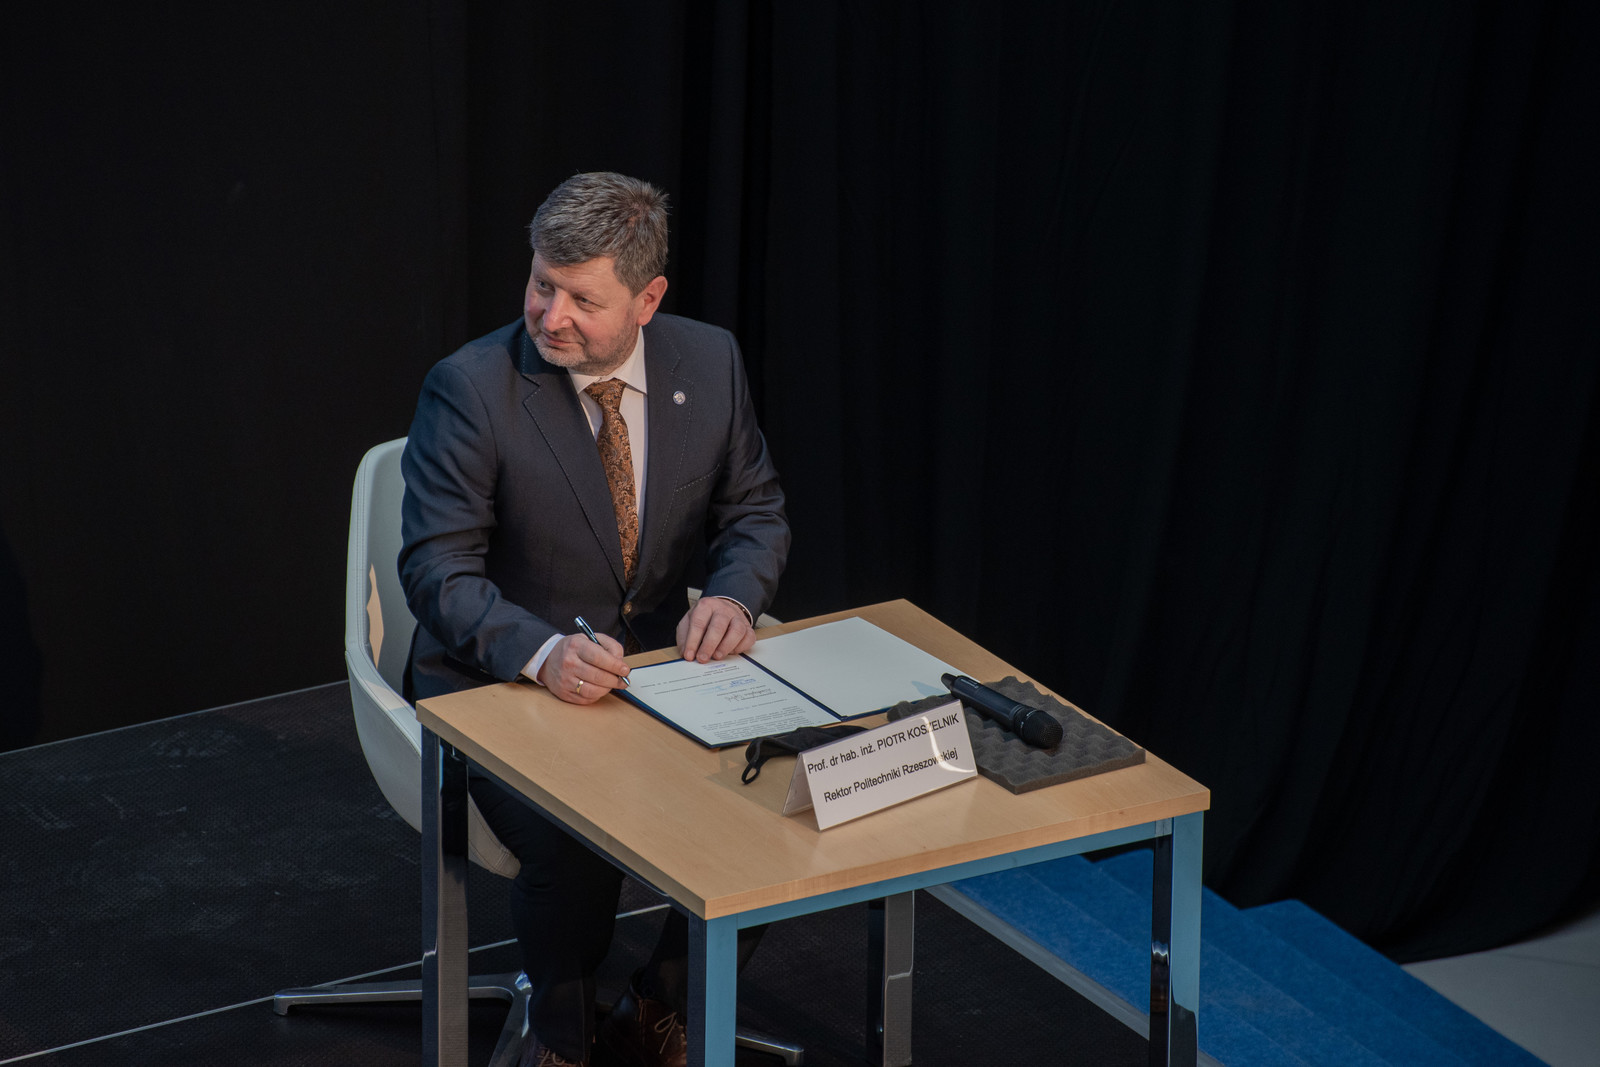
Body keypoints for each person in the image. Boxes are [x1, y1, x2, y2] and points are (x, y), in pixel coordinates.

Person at [399, 172, 789, 1067]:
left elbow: (755, 511)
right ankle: (562, 1043)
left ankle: (660, 1012)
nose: (552, 315)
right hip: (497, 682)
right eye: (543, 284)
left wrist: (731, 597)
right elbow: (436, 570)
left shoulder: (710, 362)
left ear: (648, 300)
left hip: (652, 672)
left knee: (778, 803)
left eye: (583, 298)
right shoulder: (471, 388)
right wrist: (541, 653)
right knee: (576, 848)